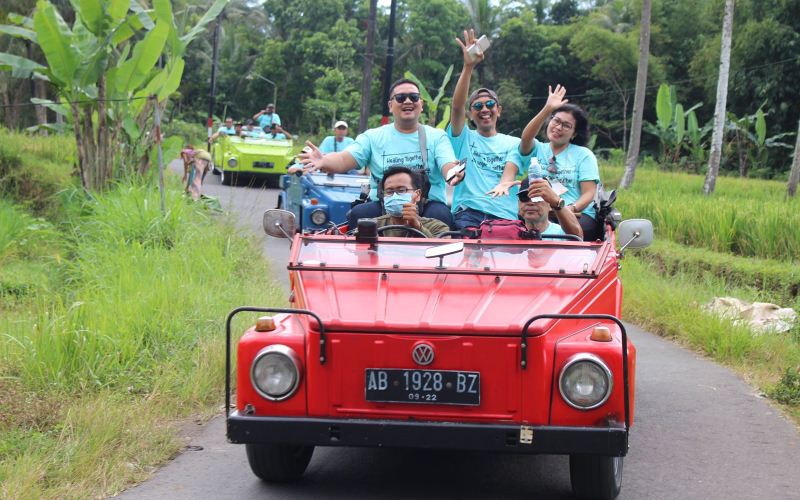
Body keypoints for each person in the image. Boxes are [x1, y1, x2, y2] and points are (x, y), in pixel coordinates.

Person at [299, 78, 461, 229]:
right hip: (383, 205)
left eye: (413, 97)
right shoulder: (373, 137)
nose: (407, 101)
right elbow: (343, 159)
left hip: (427, 206)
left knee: (442, 215)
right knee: (359, 215)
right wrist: (324, 161)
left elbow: (447, 164)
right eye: (400, 98)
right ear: (390, 105)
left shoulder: (436, 137)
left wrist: (453, 173)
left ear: (421, 104)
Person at [447, 30, 527, 230]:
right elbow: (456, 107)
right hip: (468, 214)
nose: (484, 109)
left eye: (490, 104)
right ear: (471, 114)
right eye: (477, 106)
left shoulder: (515, 144)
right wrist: (468, 66)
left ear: (498, 111)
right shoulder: (463, 137)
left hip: (505, 217)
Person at [514, 97, 602, 241]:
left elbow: (589, 193)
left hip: (574, 213)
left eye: (566, 125)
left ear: (574, 133)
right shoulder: (537, 148)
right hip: (538, 211)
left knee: (573, 236)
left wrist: (570, 209)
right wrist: (547, 109)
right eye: (556, 121)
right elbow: (525, 138)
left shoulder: (584, 155)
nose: (559, 127)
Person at [372, 166, 450, 238]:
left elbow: (441, 249)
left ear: (418, 194)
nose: (395, 196)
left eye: (402, 190)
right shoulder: (372, 226)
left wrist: (418, 227)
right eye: (389, 192)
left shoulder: (437, 227)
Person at [517, 177, 582, 238]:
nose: (530, 202)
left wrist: (557, 202)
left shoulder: (563, 233)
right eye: (524, 197)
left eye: (537, 197)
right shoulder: (511, 233)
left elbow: (578, 238)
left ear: (550, 204)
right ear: (518, 203)